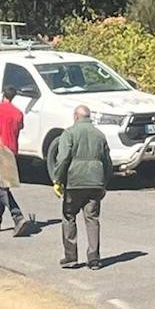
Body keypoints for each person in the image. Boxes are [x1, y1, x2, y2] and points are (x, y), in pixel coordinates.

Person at [50, 104, 111, 269]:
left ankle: (70, 257)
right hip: (95, 183)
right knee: (92, 219)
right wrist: (104, 183)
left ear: (76, 117)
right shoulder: (100, 135)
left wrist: (57, 179)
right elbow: (107, 162)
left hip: (74, 181)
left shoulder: (69, 133)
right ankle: (94, 259)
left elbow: (63, 158)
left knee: (69, 215)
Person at [0, 84, 28, 234]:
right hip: (12, 151)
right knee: (1, 186)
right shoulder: (18, 113)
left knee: (2, 186)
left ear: (3, 94)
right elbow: (19, 128)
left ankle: (17, 216)